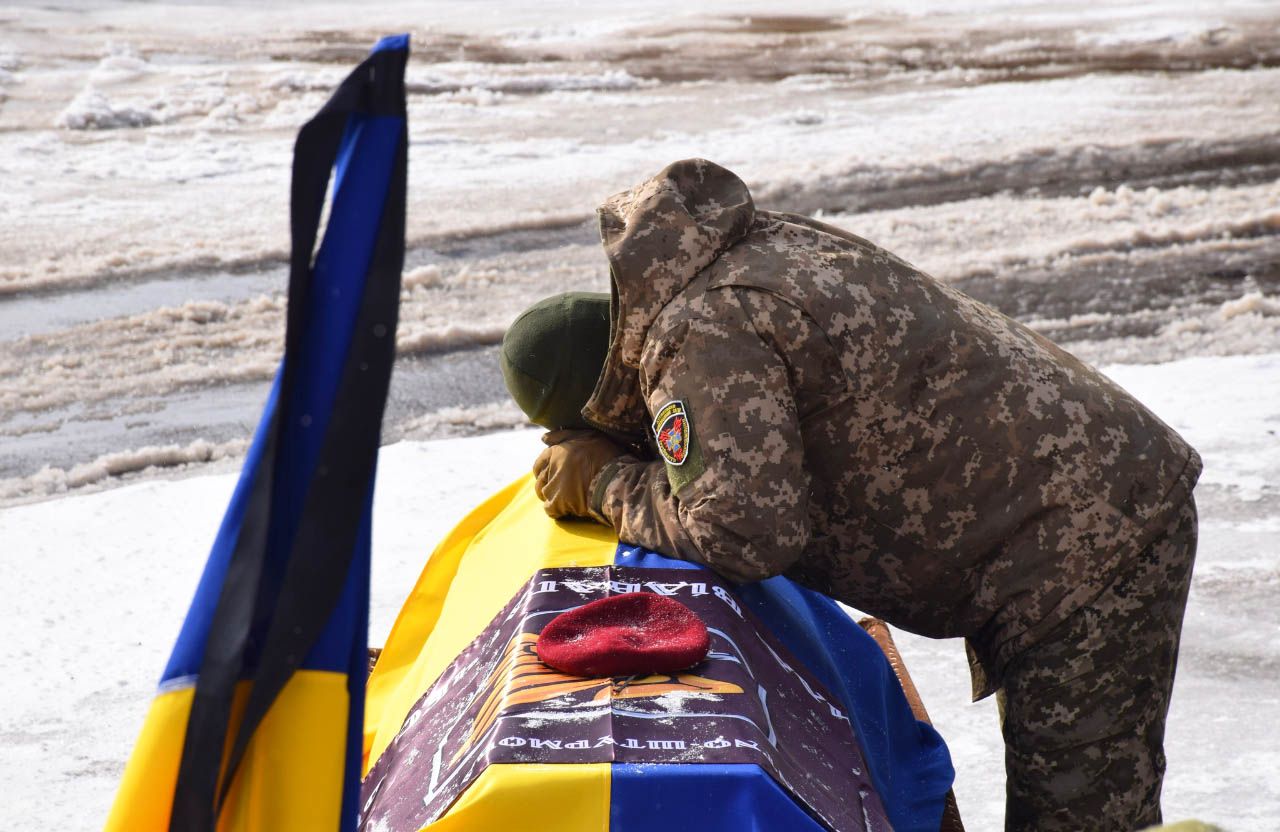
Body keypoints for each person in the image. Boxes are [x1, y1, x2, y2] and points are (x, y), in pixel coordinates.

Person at [500, 158, 1201, 831]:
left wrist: (604, 481)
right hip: (1074, 505)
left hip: (1088, 542)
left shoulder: (702, 333)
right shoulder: (726, 255)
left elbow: (744, 530)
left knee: (1081, 817)